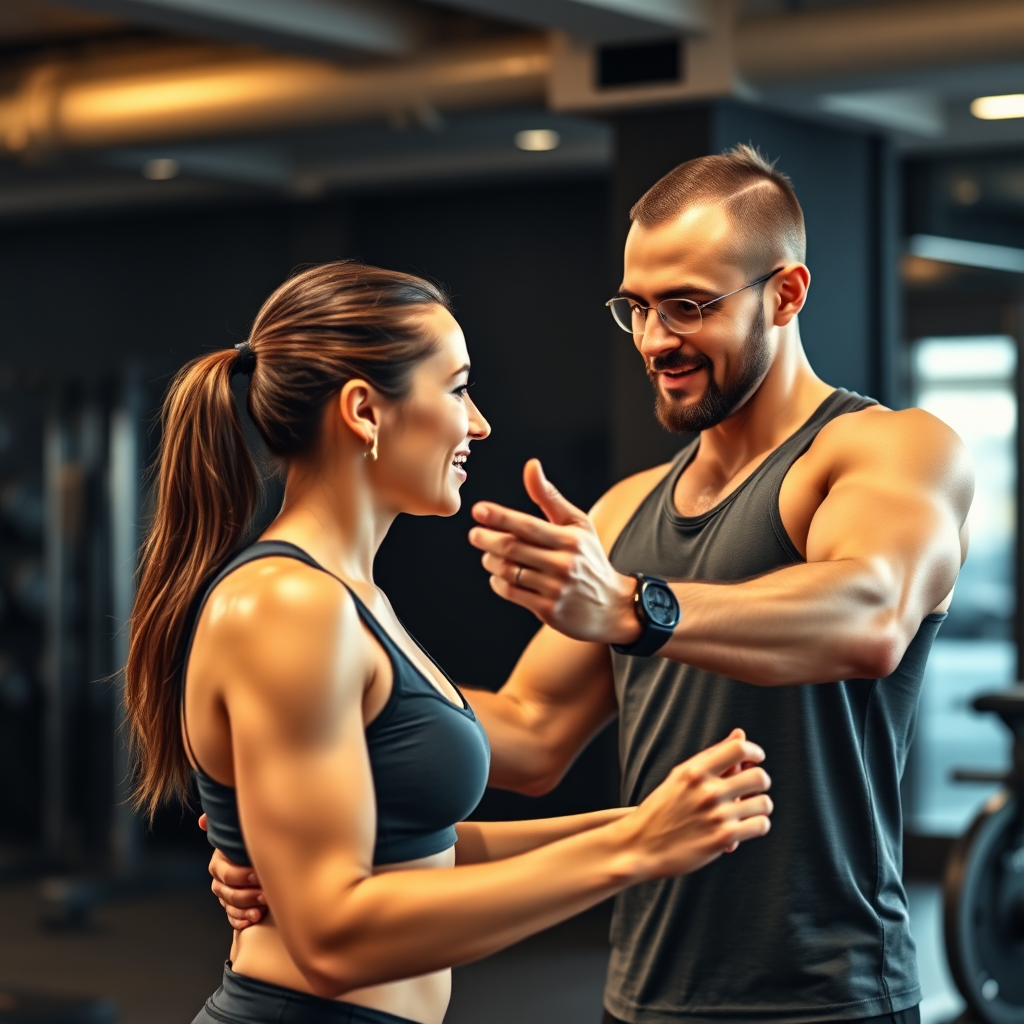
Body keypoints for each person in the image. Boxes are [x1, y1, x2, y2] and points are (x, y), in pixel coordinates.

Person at [213, 147, 974, 1024]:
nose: (655, 340)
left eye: (689, 306)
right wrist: (284, 801)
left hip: (824, 996)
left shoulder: (890, 451)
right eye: (637, 307)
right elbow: (531, 737)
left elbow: (869, 617)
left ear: (787, 292)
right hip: (641, 994)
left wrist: (629, 606)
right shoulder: (624, 512)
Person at [124, 261, 773, 1024]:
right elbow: (333, 938)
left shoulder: (353, 599)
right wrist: (633, 848)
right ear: (365, 411)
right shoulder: (287, 604)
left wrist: (653, 824)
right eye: (457, 389)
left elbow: (421, 854)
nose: (479, 424)